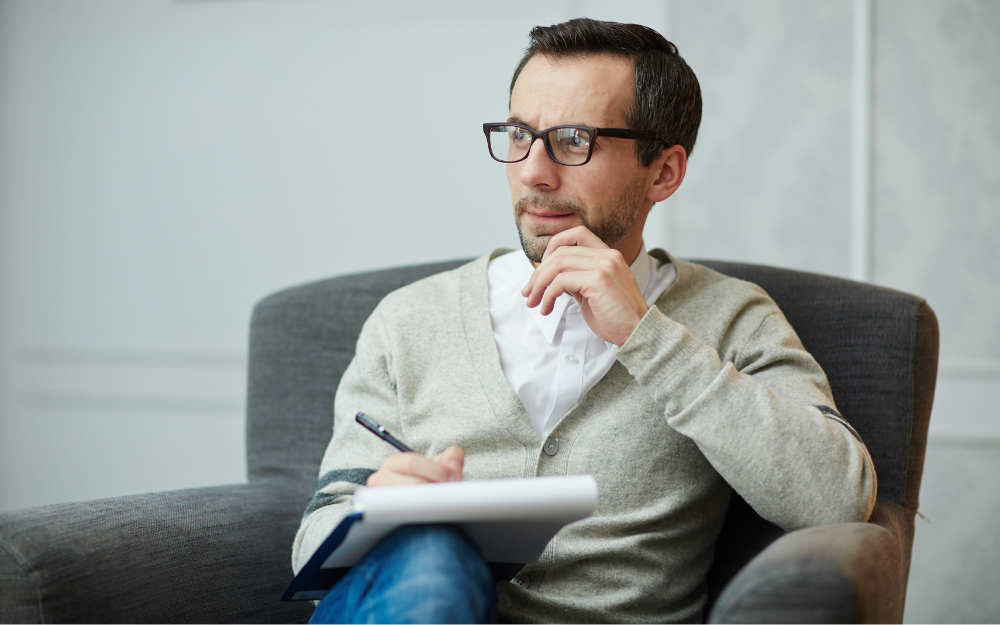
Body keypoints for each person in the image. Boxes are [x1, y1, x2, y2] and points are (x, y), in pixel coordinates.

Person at [293, 17, 876, 624]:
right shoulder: (411, 318)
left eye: (574, 141)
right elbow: (313, 543)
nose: (533, 172)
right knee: (433, 552)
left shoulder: (732, 318)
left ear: (663, 172)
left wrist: (645, 335)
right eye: (519, 135)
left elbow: (838, 497)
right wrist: (373, 516)